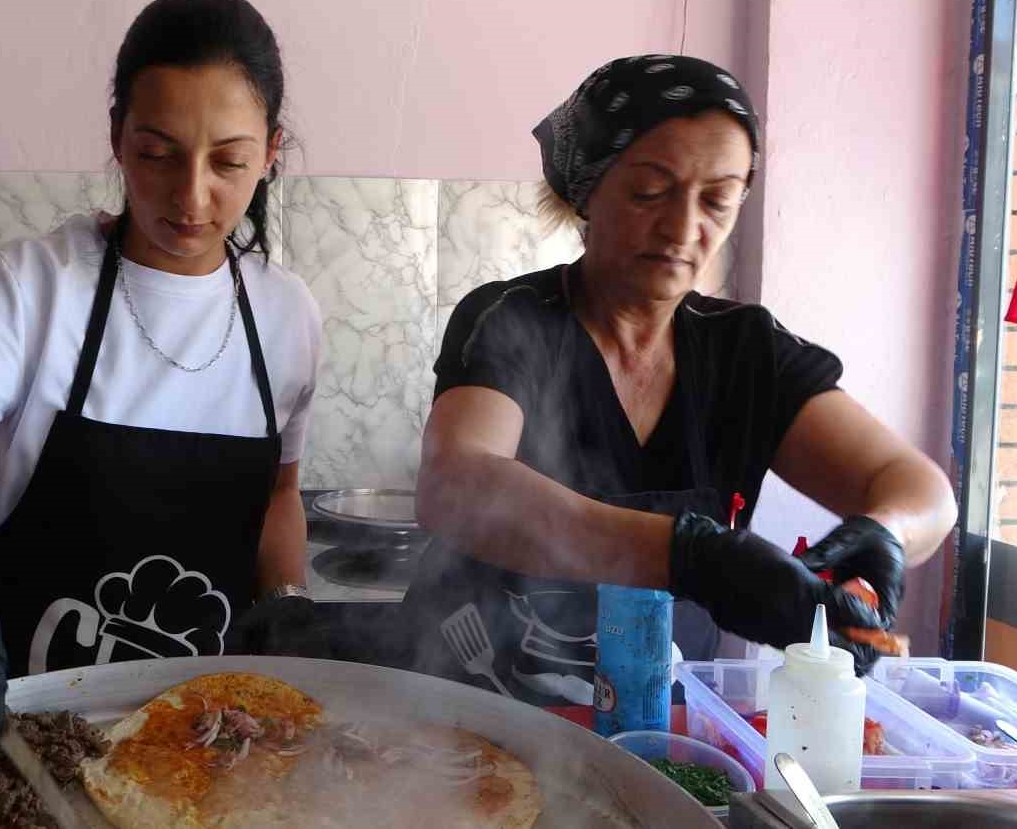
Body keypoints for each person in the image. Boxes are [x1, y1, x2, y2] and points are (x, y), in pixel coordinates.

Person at [0, 0, 326, 737]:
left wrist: (287, 597)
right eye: (156, 154)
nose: (191, 197)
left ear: (270, 152)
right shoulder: (35, 288)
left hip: (209, 741)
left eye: (228, 162)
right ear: (117, 138)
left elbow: (278, 495)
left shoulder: (287, 314)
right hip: (24, 731)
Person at [404, 55, 956, 706]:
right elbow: (456, 485)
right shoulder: (512, 320)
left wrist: (886, 534)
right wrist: (692, 557)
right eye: (649, 192)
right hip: (469, 704)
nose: (684, 228)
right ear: (588, 189)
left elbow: (922, 492)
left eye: (718, 199)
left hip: (657, 716)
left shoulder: (747, 351)